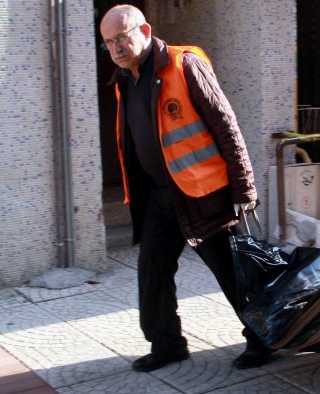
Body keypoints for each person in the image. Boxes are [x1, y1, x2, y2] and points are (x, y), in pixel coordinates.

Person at [99, 4, 271, 372]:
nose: (116, 48)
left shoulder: (183, 65)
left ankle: (263, 338)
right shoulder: (124, 81)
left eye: (121, 37)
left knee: (231, 272)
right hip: (160, 196)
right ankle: (167, 344)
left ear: (145, 31)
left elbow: (226, 125)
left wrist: (244, 187)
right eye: (108, 42)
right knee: (153, 270)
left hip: (204, 194)